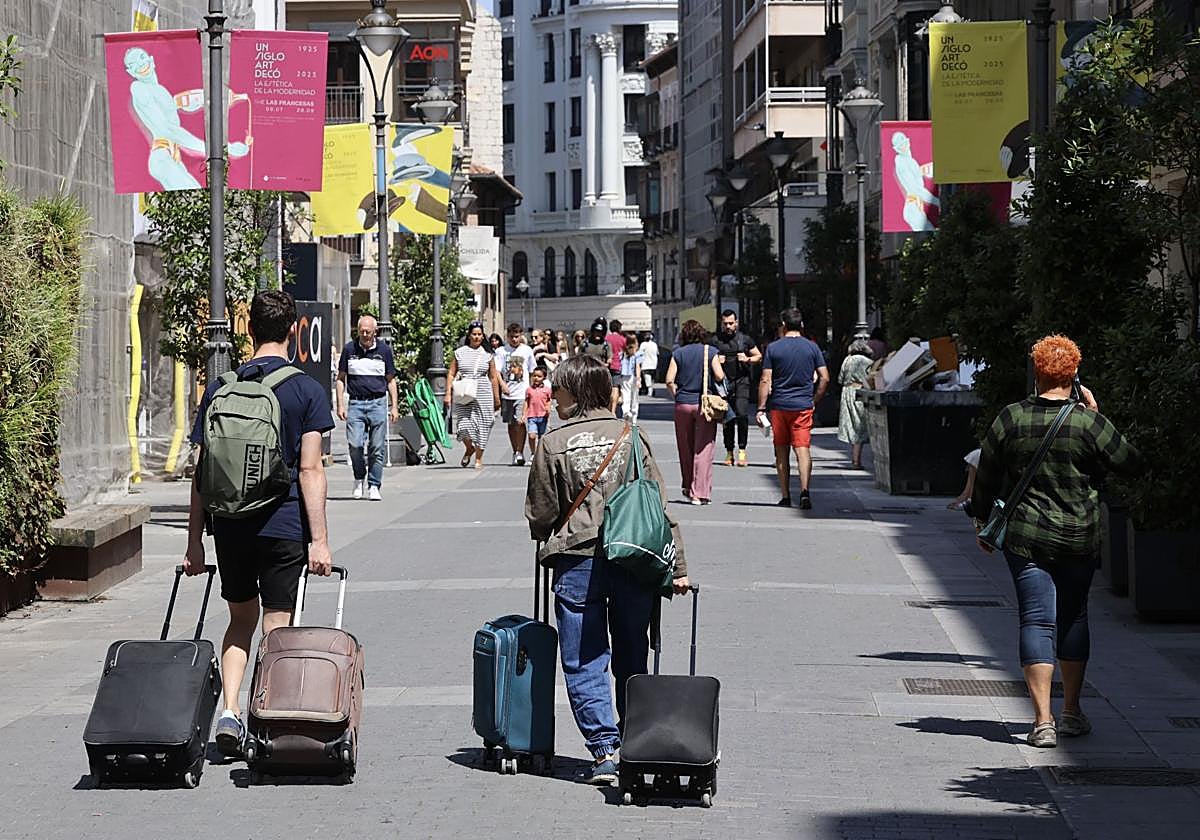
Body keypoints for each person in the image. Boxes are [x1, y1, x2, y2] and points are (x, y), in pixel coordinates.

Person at [524, 354, 690, 785]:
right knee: (633, 650)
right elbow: (656, 503)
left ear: (576, 392)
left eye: (559, 389)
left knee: (584, 657)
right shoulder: (632, 435)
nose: (554, 396)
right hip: (633, 556)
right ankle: (635, 737)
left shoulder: (553, 442)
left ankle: (604, 750)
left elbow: (540, 514)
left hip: (578, 558)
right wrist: (680, 568)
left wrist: (552, 526)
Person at [184, 289, 334, 757]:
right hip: (282, 522)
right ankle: (264, 714)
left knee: (239, 619)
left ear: (250, 331)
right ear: (293, 329)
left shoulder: (220, 386)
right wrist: (321, 541)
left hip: (230, 523)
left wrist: (194, 544)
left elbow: (202, 472)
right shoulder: (307, 390)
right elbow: (311, 469)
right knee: (277, 624)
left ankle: (228, 711)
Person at [972, 335, 1139, 749]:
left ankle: (1042, 720)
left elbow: (987, 474)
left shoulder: (1011, 418)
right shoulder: (1087, 422)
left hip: (1026, 537)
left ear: (1037, 373)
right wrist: (1097, 415)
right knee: (1073, 617)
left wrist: (980, 520)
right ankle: (1071, 712)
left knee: (1036, 620)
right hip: (1079, 535)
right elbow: (1131, 463)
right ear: (1074, 375)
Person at [756, 309, 830, 509]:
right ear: (802, 325)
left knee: (781, 450)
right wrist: (815, 398)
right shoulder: (812, 348)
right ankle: (805, 492)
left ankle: (786, 495)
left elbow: (765, 379)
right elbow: (825, 377)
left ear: (783, 325)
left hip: (779, 405)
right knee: (803, 449)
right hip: (803, 406)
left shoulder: (773, 348)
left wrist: (761, 407)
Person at [335, 314, 399, 501]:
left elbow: (391, 380)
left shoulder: (384, 351)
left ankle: (374, 485)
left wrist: (394, 406)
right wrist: (340, 404)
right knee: (355, 445)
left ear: (375, 332)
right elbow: (340, 378)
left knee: (376, 447)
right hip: (356, 402)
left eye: (368, 332)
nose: (364, 335)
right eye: (361, 331)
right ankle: (358, 477)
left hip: (378, 402)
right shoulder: (349, 349)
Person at [665, 319, 726, 505]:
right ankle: (699, 493)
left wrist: (678, 395)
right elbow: (720, 375)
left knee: (686, 448)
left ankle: (687, 486)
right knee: (704, 448)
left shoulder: (678, 353)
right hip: (703, 404)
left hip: (682, 404)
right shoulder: (710, 352)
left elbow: (669, 379)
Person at [445, 321, 503, 470]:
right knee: (463, 426)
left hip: (483, 391)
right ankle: (469, 448)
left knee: (483, 425)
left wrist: (497, 398)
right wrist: (448, 394)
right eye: (474, 334)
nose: (477, 337)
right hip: (464, 390)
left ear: (483, 336)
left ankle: (478, 458)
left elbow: (493, 377)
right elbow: (451, 373)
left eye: (479, 334)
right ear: (469, 336)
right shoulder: (460, 352)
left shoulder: (488, 355)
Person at [711, 310, 762, 468]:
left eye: (731, 323)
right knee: (727, 418)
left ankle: (742, 450)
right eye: (725, 323)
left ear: (737, 322)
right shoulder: (715, 341)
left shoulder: (744, 339)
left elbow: (758, 356)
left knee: (741, 414)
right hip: (724, 385)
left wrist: (747, 359)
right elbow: (707, 358)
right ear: (721, 323)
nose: (728, 326)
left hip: (741, 381)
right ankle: (729, 451)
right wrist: (716, 361)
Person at [494, 323, 537, 466]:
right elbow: (496, 372)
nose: (514, 339)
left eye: (517, 336)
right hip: (507, 393)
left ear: (521, 336)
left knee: (520, 422)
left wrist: (532, 388)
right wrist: (502, 385)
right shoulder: (501, 351)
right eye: (511, 336)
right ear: (507, 336)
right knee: (511, 424)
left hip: (522, 392)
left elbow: (532, 370)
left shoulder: (527, 350)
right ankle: (515, 451)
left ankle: (520, 451)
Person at [837, 338, 874, 469]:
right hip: (860, 392)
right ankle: (856, 461)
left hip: (847, 392)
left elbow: (840, 378)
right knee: (860, 426)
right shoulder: (868, 362)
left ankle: (855, 458)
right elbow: (872, 378)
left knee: (852, 425)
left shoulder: (847, 360)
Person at [524, 367, 552, 451]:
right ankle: (533, 452)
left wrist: (548, 408)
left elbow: (549, 400)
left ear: (544, 378)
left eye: (539, 376)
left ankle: (540, 453)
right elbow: (526, 402)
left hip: (543, 416)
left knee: (542, 437)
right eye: (534, 375)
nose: (536, 378)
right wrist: (524, 414)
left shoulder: (547, 390)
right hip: (532, 416)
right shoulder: (529, 390)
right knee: (531, 436)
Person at [618, 334, 643, 423]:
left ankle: (626, 412)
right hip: (634, 377)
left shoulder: (622, 353)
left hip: (624, 376)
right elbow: (637, 367)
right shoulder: (638, 353)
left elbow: (619, 365)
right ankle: (634, 415)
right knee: (635, 397)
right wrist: (639, 378)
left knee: (626, 394)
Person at [605, 319, 627, 411]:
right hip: (618, 364)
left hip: (606, 364)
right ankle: (613, 409)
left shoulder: (606, 338)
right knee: (615, 387)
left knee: (607, 387)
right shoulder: (623, 339)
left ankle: (608, 407)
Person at [638, 332, 659, 396]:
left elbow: (639, 353)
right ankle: (651, 390)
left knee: (647, 378)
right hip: (654, 364)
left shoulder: (643, 344)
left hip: (645, 364)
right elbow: (657, 353)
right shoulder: (654, 344)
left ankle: (650, 391)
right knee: (652, 378)